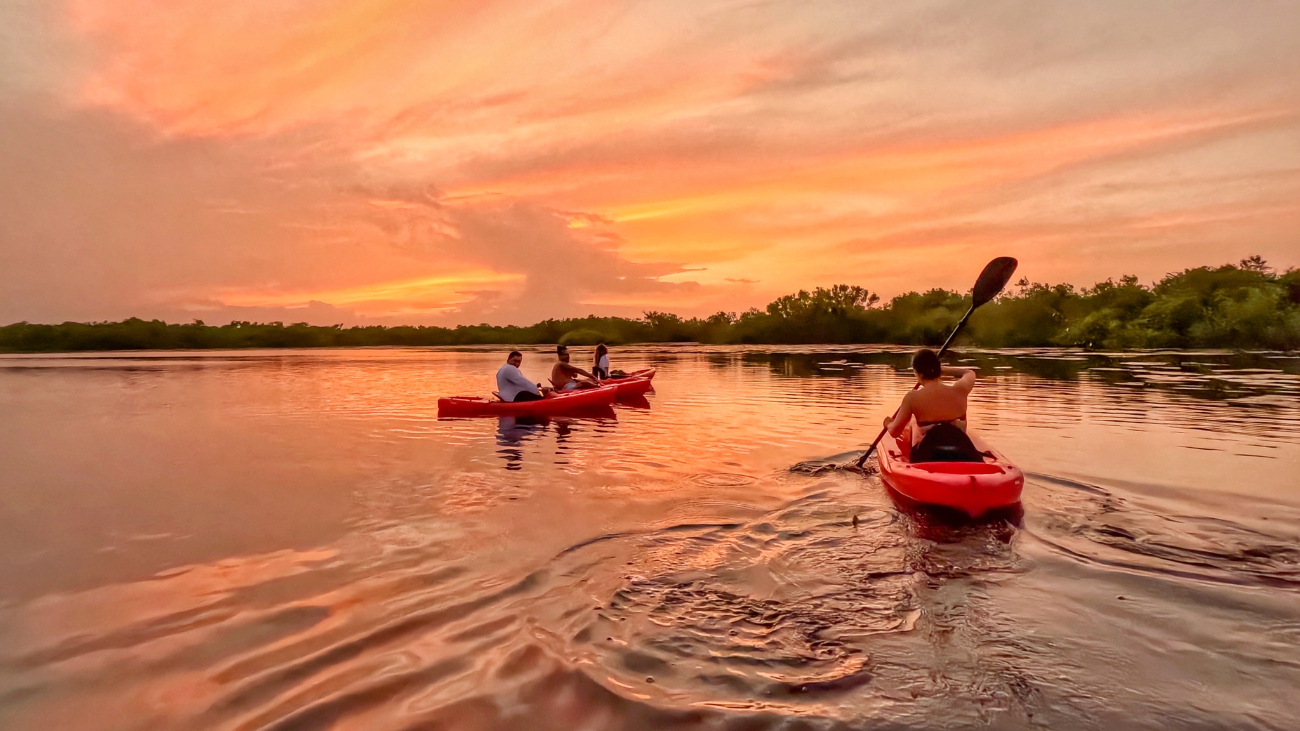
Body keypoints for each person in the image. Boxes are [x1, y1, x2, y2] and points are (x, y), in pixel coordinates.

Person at [881, 348, 983, 462]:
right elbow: (969, 373)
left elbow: (895, 432)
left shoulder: (912, 397)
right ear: (938, 370)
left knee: (914, 423)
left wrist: (888, 423)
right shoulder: (961, 389)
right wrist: (941, 370)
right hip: (962, 452)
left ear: (918, 374)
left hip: (929, 456)